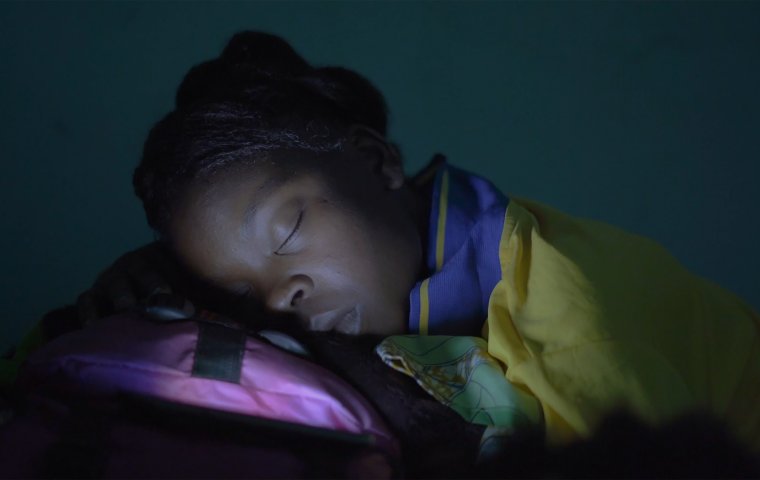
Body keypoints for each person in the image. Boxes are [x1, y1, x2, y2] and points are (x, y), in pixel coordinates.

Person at [9, 31, 760, 454]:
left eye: (290, 229)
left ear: (377, 161)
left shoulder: (565, 312)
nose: (283, 298)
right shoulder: (367, 293)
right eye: (238, 290)